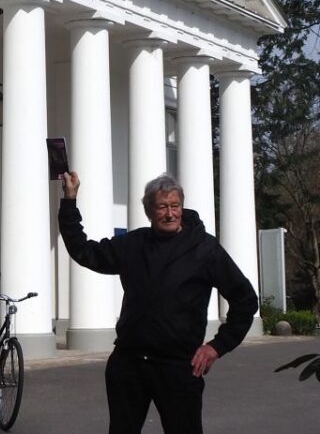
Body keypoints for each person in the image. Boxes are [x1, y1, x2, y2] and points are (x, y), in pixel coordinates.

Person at [58, 171, 258, 434]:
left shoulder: (204, 249)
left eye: (175, 206)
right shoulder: (133, 244)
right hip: (129, 364)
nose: (170, 214)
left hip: (179, 367)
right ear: (149, 211)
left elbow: (245, 300)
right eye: (162, 207)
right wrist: (69, 201)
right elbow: (84, 251)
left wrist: (217, 346)